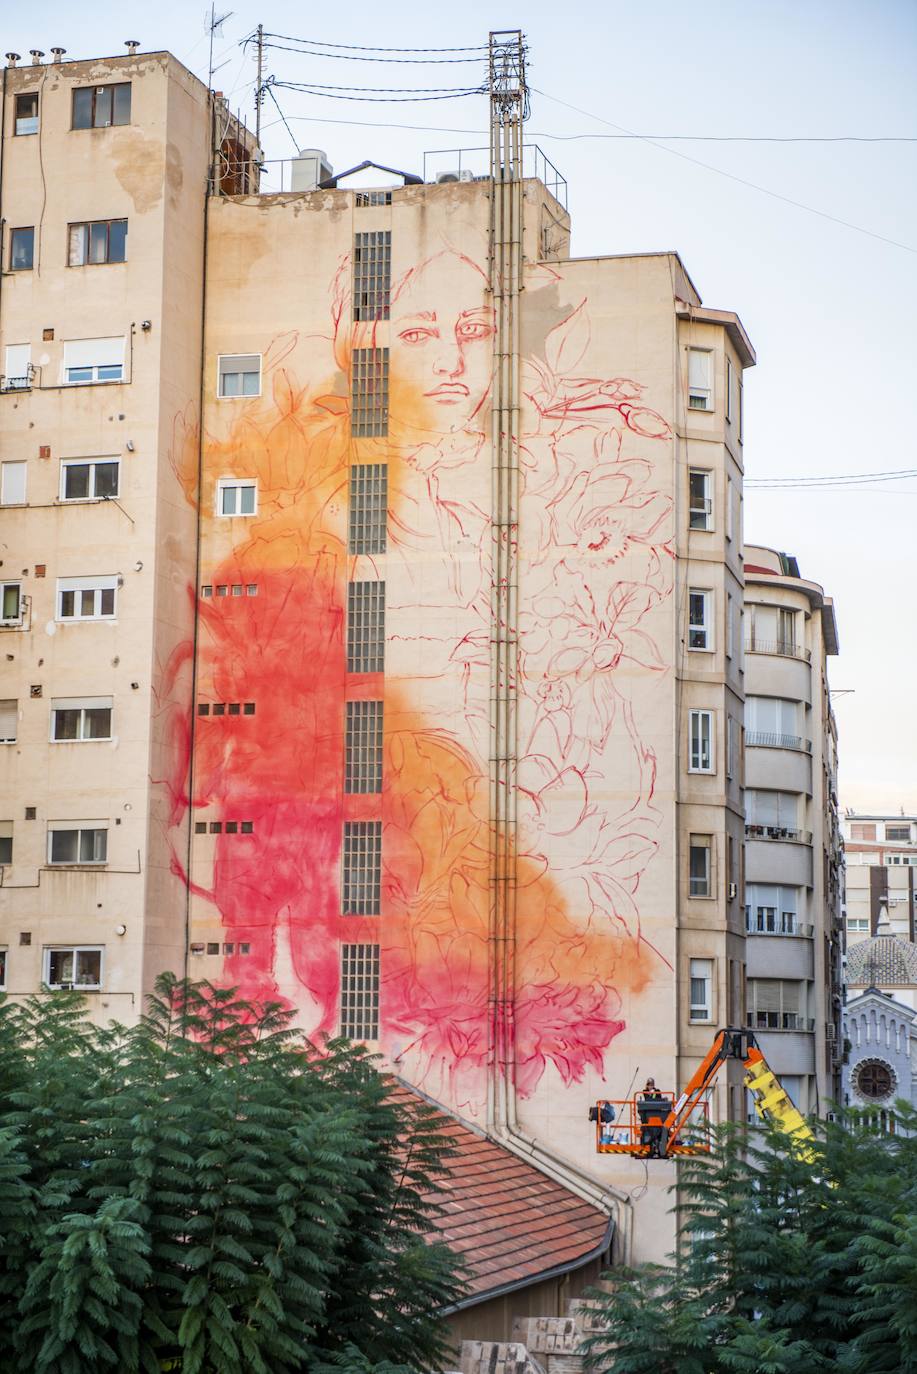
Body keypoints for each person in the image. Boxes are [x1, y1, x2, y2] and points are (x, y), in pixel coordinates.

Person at [638, 1077, 668, 1158]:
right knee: (645, 1127)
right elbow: (647, 1099)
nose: (650, 1086)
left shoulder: (657, 1091)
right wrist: (650, 1093)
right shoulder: (644, 1091)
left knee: (660, 1128)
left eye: (651, 1085)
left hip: (656, 1113)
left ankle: (658, 1144)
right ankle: (647, 1144)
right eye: (649, 1085)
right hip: (648, 1113)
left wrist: (654, 1092)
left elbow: (659, 1099)